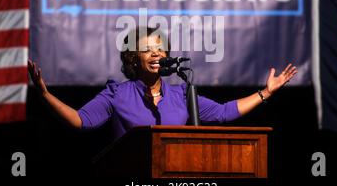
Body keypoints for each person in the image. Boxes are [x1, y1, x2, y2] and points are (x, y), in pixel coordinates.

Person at [28, 27, 297, 140]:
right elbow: (80, 120)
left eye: (161, 49)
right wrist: (45, 94)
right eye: (148, 50)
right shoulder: (117, 93)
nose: (157, 54)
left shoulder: (182, 93)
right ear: (134, 59)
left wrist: (266, 93)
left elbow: (225, 112)